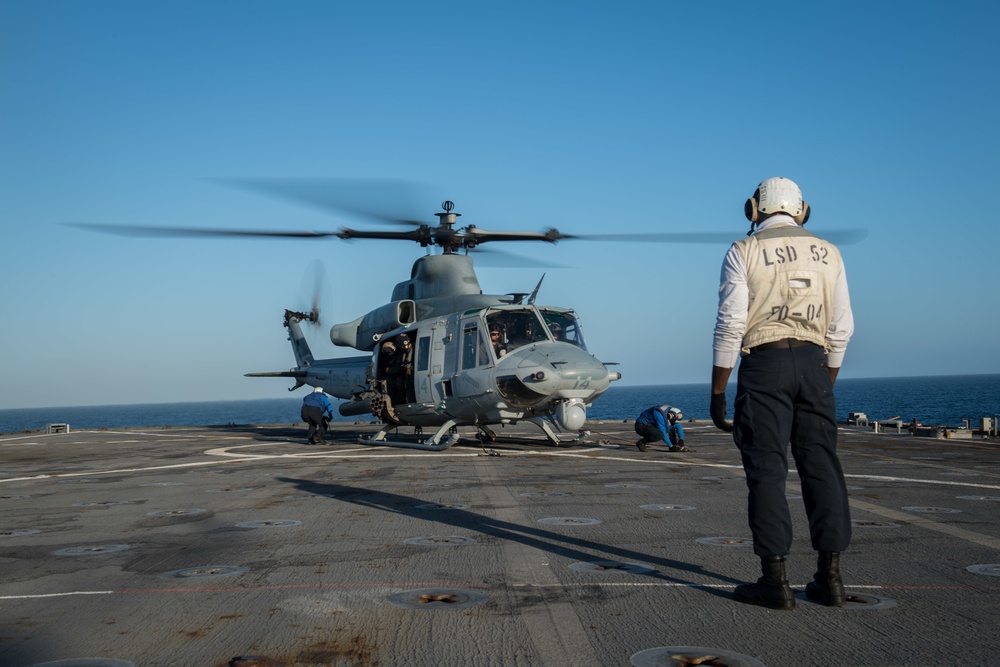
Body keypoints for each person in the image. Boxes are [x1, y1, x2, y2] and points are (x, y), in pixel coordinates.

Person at [710, 176, 854, 610]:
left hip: (765, 365)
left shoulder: (743, 250)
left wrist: (718, 392)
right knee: (822, 468)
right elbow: (842, 327)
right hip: (814, 363)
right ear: (802, 210)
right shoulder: (830, 253)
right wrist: (821, 385)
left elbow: (731, 323)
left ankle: (774, 581)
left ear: (754, 209)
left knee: (768, 471)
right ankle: (830, 579)